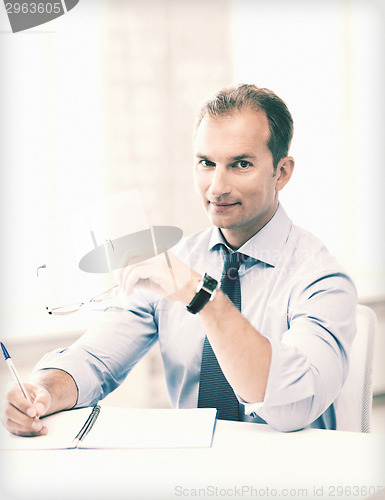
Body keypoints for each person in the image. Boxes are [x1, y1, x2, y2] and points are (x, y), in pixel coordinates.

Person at [1, 84, 357, 436]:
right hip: (191, 476)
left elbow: (293, 406)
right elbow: (95, 361)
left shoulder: (321, 278)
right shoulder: (174, 267)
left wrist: (198, 292)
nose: (216, 187)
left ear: (282, 172)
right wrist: (43, 391)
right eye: (206, 163)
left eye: (241, 164)